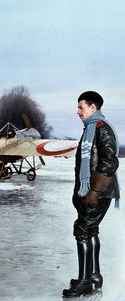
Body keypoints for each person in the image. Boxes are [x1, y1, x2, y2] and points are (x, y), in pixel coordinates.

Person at [62, 91, 120, 298]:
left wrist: (94, 192)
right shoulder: (91, 129)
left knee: (83, 230)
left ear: (93, 107)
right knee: (91, 230)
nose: (77, 111)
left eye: (81, 107)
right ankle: (94, 275)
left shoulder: (101, 129)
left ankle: (85, 282)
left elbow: (110, 162)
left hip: (99, 192)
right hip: (93, 192)